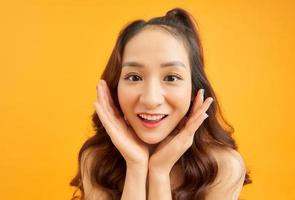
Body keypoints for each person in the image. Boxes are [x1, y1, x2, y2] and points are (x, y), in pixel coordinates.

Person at [70, 7, 252, 200]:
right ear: (115, 88)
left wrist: (159, 173)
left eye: (171, 77)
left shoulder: (223, 167)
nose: (151, 99)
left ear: (193, 90)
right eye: (134, 77)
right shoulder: (97, 161)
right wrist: (136, 167)